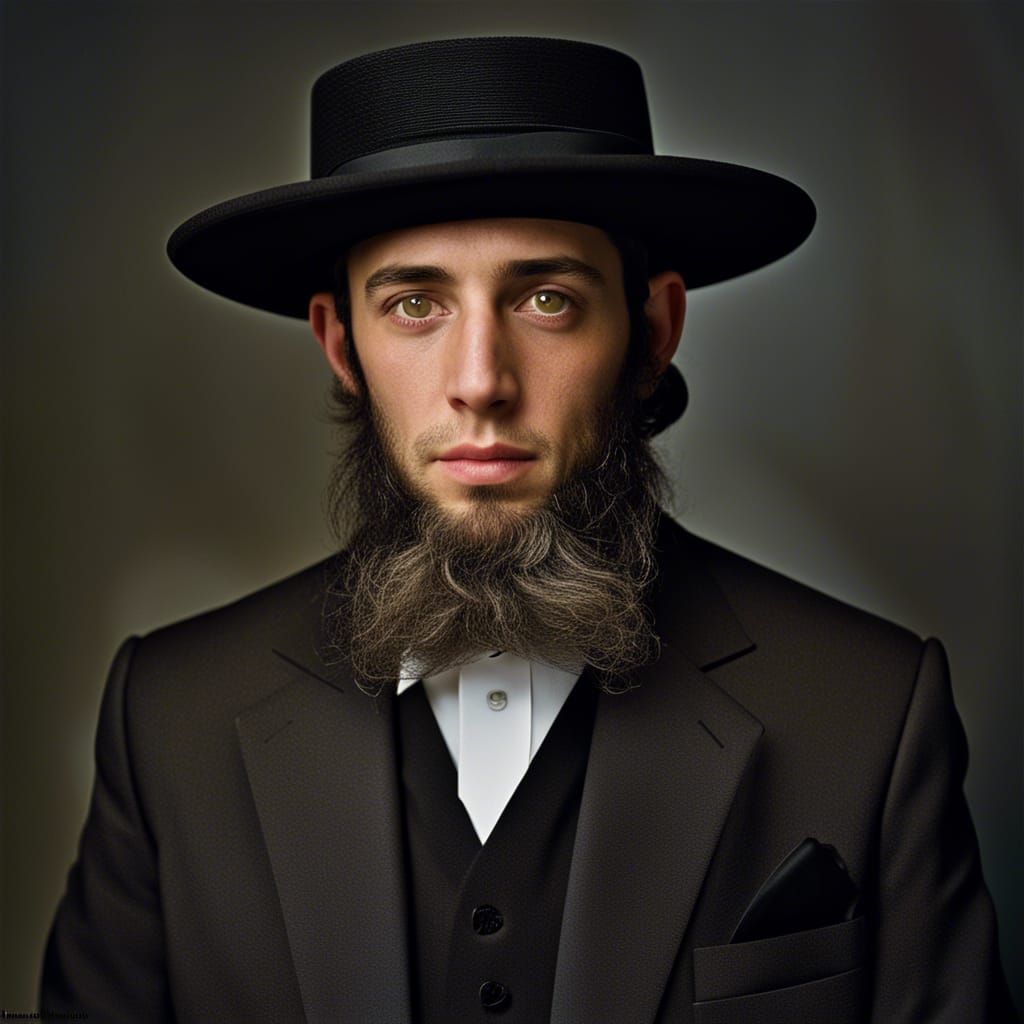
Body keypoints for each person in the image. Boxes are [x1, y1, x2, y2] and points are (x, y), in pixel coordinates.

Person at [40, 36, 1015, 1024]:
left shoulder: (867, 710)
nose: (479, 381)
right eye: (415, 303)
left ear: (653, 332)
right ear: (341, 344)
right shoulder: (170, 719)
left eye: (546, 300)